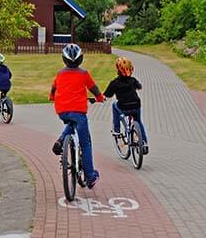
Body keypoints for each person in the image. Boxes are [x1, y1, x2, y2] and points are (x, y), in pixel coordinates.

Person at [50, 44, 105, 188]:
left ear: (64, 59)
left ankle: (61, 140)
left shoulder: (60, 74)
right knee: (85, 144)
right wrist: (99, 97)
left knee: (71, 123)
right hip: (79, 112)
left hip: (62, 111)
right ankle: (90, 176)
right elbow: (93, 88)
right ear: (81, 59)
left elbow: (54, 88)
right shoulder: (83, 73)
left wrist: (51, 97)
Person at [105, 57, 149, 155]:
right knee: (138, 121)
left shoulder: (114, 83)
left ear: (117, 69)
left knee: (114, 105)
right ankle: (144, 143)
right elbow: (139, 87)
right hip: (136, 105)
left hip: (123, 107)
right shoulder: (133, 80)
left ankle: (116, 129)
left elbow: (107, 95)